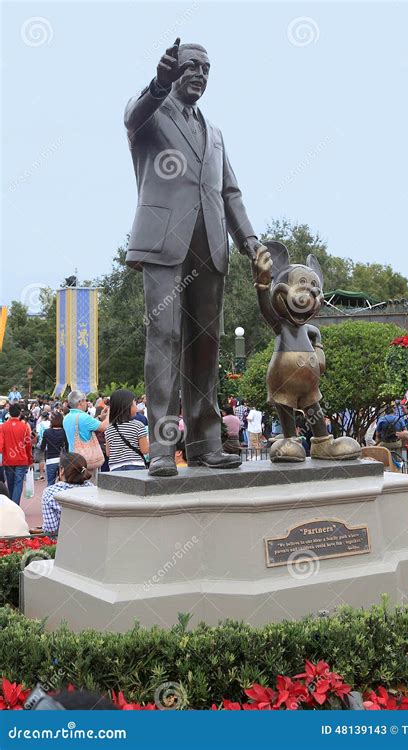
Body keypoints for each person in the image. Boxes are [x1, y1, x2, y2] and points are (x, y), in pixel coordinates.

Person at [124, 38, 260, 476]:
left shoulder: (215, 134)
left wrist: (251, 242)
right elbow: (132, 115)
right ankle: (164, 449)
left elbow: (230, 192)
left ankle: (205, 443)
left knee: (207, 345)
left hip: (211, 248)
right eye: (191, 65)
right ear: (173, 70)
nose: (200, 73)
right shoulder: (152, 114)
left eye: (207, 67)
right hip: (164, 242)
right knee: (164, 337)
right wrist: (157, 84)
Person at [42, 453, 94, 535]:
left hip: (62, 541)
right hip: (89, 536)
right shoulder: (92, 488)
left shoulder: (50, 492)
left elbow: (51, 528)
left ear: (62, 470)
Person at [63, 390, 109, 482]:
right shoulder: (83, 417)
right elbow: (104, 427)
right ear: (80, 402)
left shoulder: (67, 417)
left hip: (74, 459)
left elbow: (86, 425)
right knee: (90, 489)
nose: (87, 403)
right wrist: (109, 414)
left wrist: (100, 417)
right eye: (85, 400)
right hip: (87, 461)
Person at [105, 389, 149, 472]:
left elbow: (108, 453)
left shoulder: (109, 428)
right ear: (127, 406)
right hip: (135, 466)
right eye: (134, 403)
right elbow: (145, 450)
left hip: (115, 468)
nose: (136, 406)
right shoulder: (138, 425)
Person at [0, 403, 33, 504]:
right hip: (21, 459)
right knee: (18, 484)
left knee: (10, 483)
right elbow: (28, 445)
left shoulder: (3, 427)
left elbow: (1, 445)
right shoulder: (24, 427)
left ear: (9, 413)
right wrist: (30, 460)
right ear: (20, 413)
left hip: (8, 460)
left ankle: (11, 505)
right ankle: (15, 505)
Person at [40, 413, 68, 486]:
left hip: (50, 459)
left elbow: (42, 447)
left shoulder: (47, 432)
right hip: (61, 459)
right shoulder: (64, 432)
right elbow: (67, 446)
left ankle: (49, 496)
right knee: (63, 482)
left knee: (50, 483)